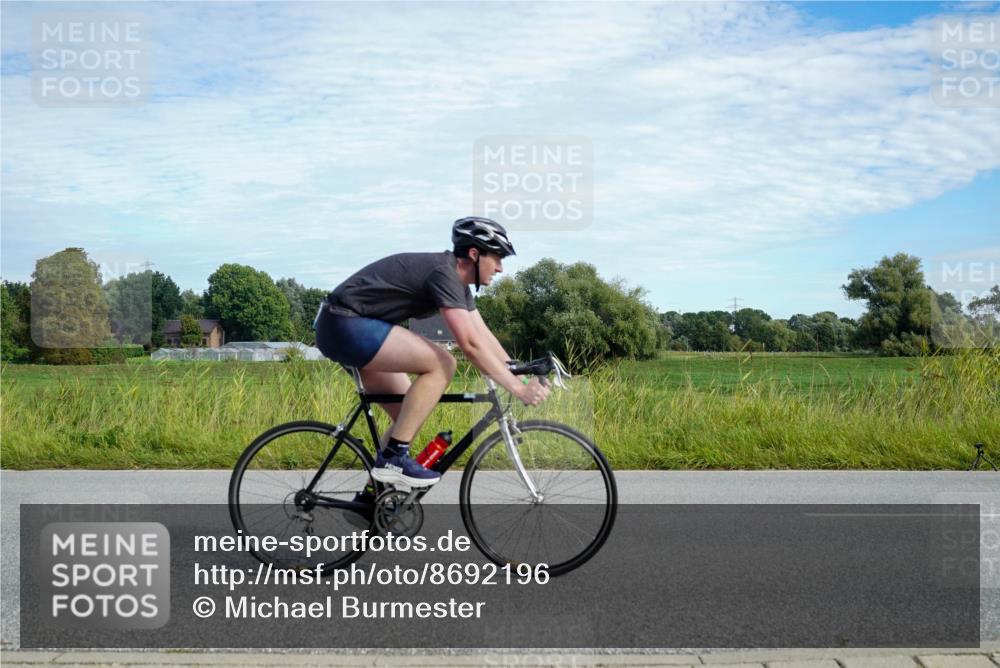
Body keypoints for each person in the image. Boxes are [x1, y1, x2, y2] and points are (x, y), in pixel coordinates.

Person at [314, 216, 550, 490]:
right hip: (344, 323)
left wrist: (516, 372)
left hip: (346, 326)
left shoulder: (457, 283)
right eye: (497, 258)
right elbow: (469, 345)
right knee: (443, 363)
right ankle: (393, 460)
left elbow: (481, 334)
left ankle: (372, 500)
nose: (500, 268)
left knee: (408, 414)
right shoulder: (444, 274)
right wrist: (518, 390)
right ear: (474, 254)